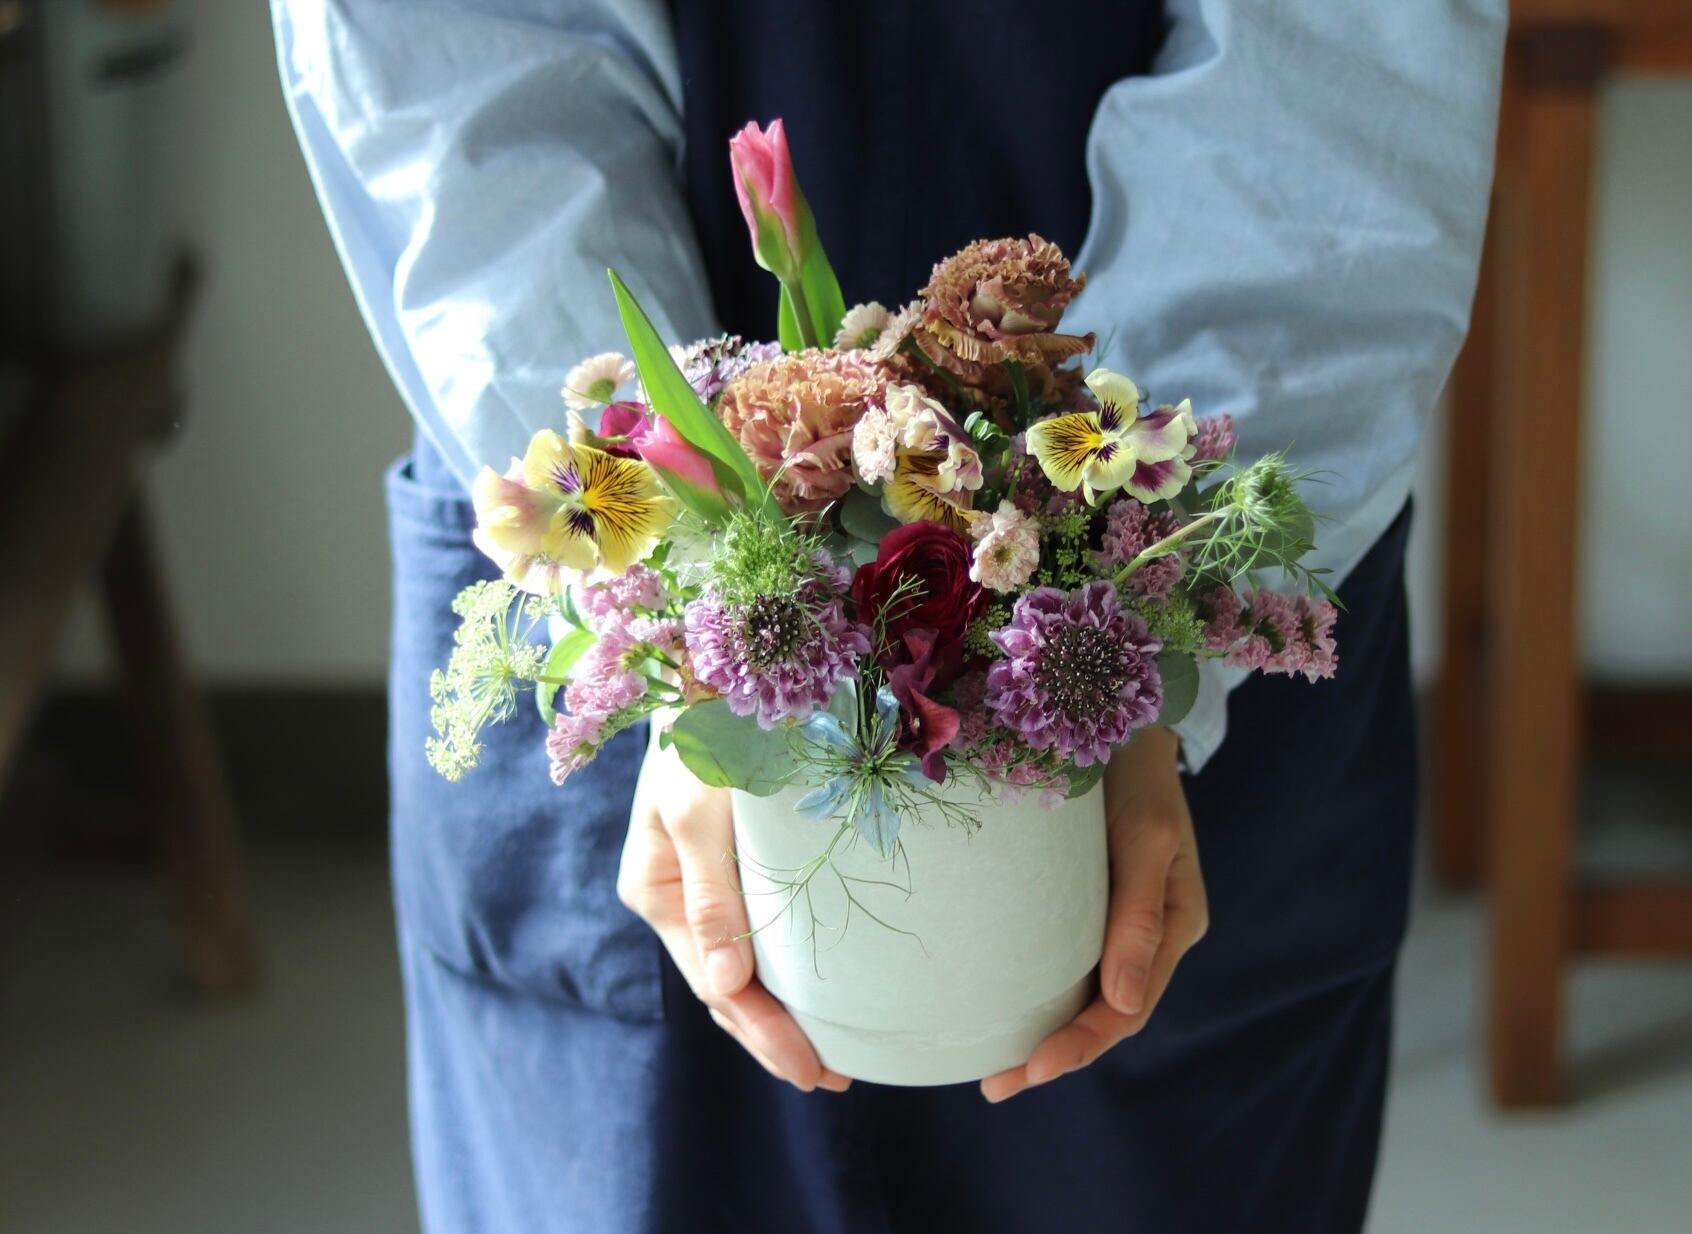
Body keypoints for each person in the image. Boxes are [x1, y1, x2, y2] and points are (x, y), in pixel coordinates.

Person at [273, 2, 1505, 1230]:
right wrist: (673, 590)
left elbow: (1337, 62)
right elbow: (461, 72)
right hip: (635, 519)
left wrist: (1133, 614)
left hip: (1160, 517)